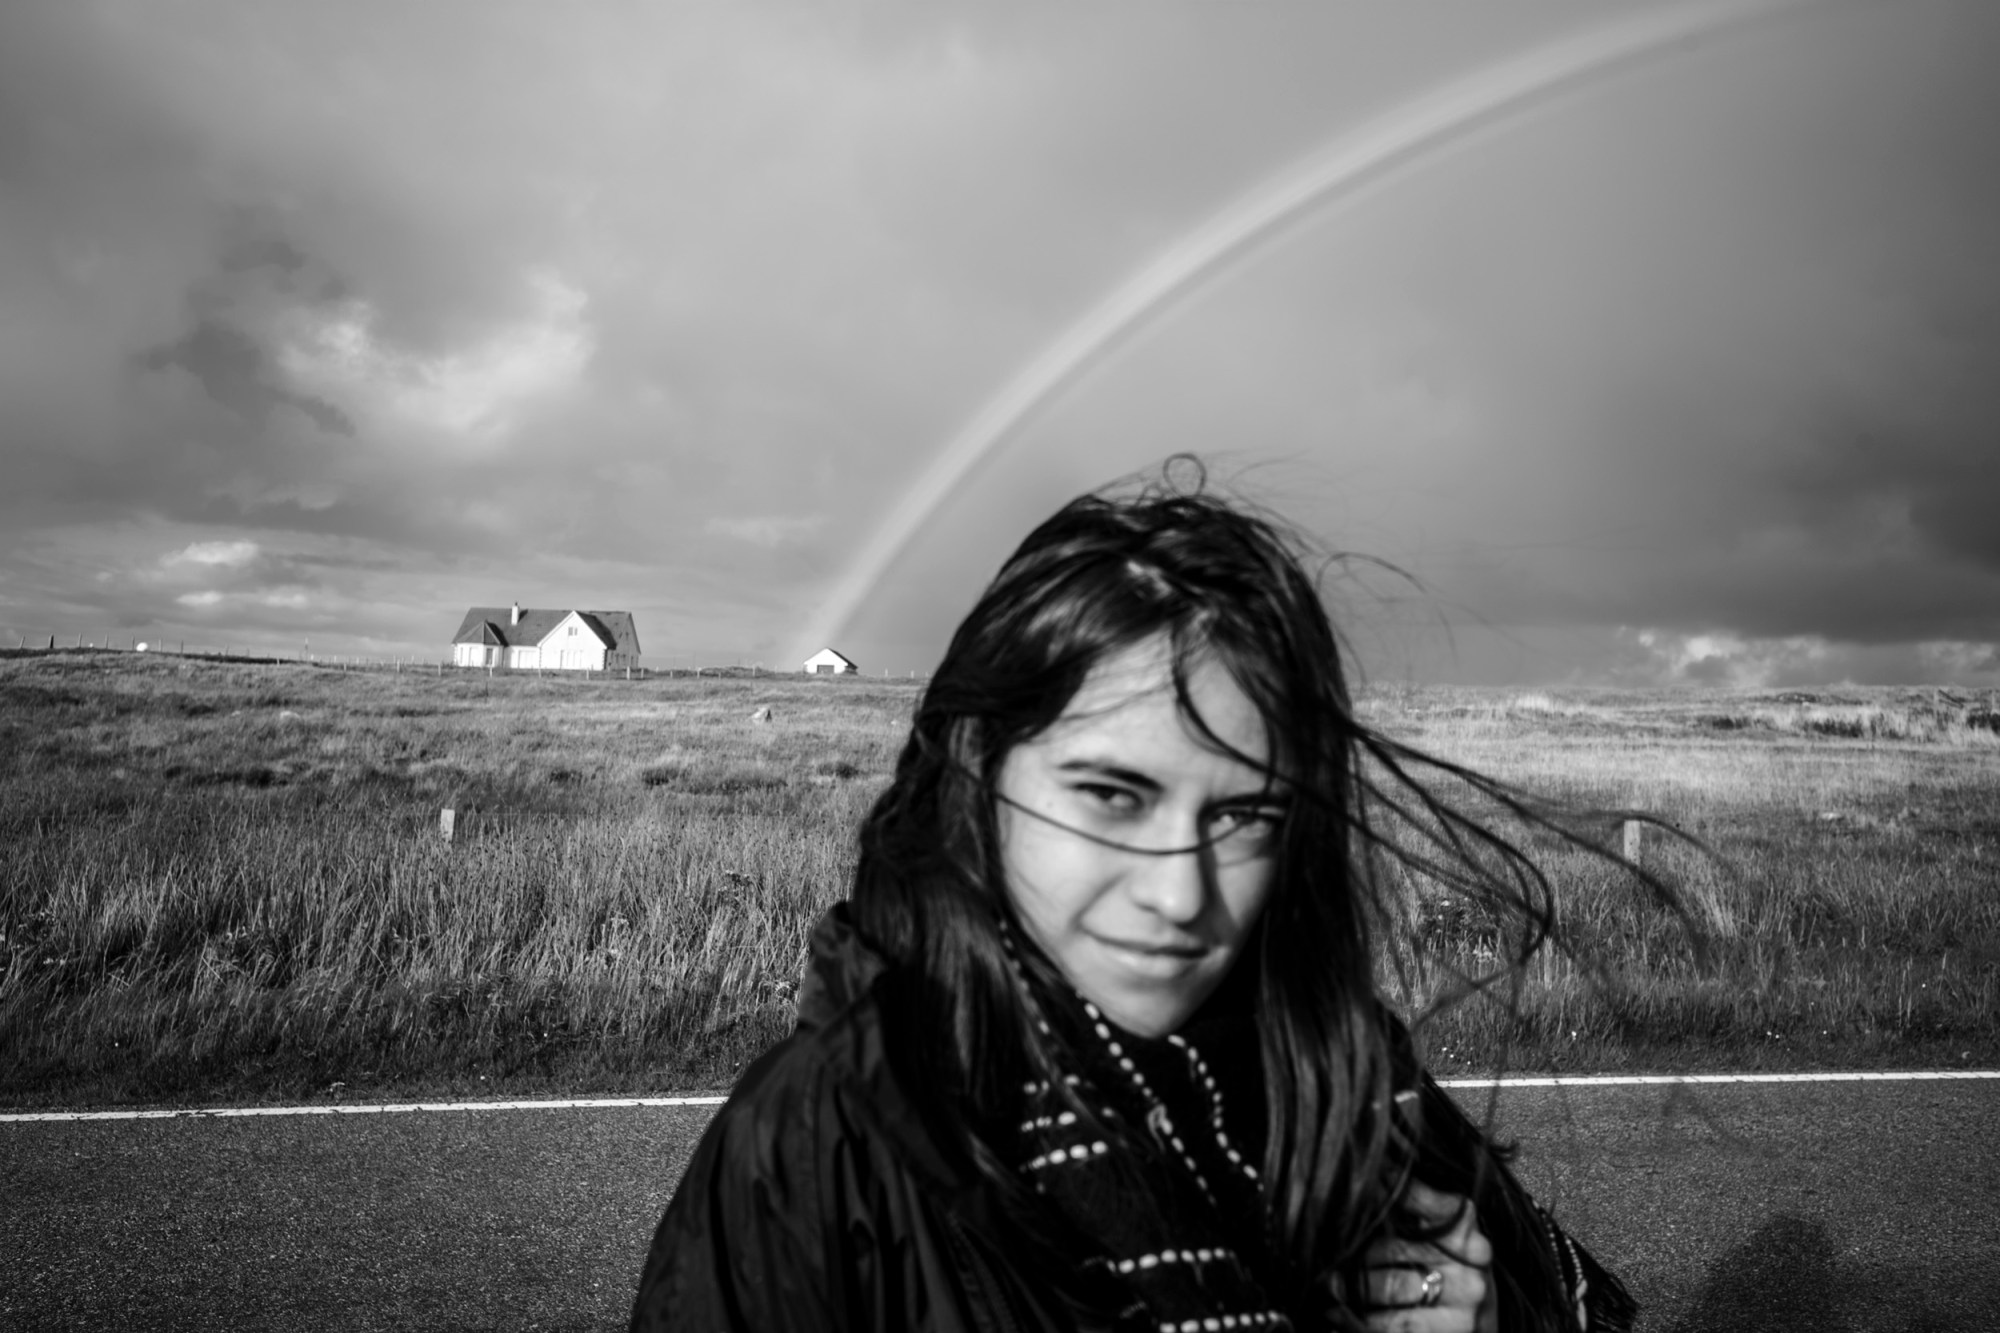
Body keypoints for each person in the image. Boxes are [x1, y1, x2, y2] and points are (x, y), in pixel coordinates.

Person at [632, 462, 1637, 1332]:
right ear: (975, 776)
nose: (1177, 895)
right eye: (1112, 796)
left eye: (1242, 816)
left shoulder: (1341, 1072)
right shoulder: (817, 1144)